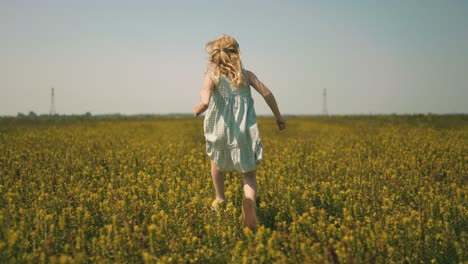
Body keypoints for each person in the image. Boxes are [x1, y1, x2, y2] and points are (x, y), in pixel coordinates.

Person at [194, 34, 285, 232]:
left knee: (217, 163)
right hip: (243, 130)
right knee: (249, 175)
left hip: (219, 128)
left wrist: (205, 102)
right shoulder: (247, 75)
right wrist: (278, 116)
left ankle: (220, 198)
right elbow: (267, 93)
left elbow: (205, 90)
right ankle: (249, 201)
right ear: (236, 53)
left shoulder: (213, 76)